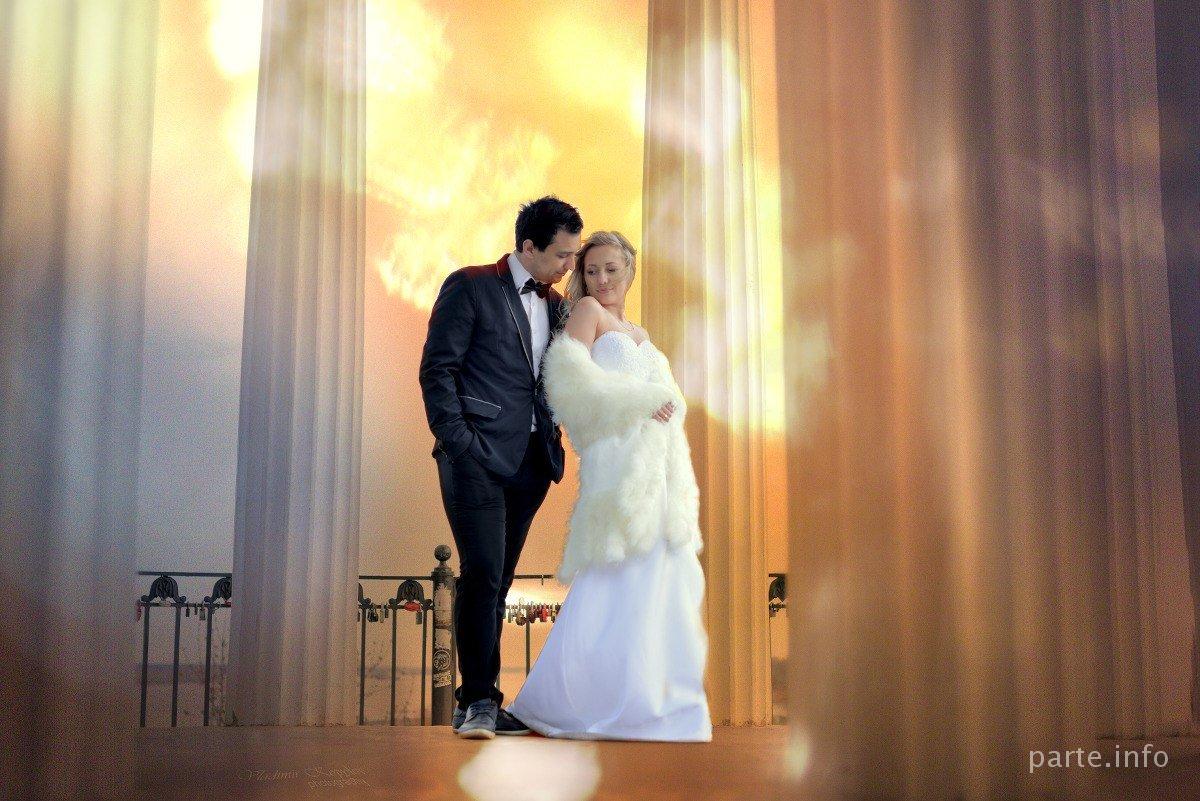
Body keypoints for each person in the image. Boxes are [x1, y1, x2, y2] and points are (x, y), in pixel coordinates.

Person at [505, 230, 713, 741]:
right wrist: (637, 401)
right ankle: (570, 702)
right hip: (618, 467)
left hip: (660, 471)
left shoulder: (640, 333)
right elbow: (567, 383)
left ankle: (642, 704)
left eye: (611, 269)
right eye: (591, 270)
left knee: (652, 583)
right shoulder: (587, 313)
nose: (600, 279)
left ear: (629, 272)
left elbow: (670, 403)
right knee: (611, 576)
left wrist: (661, 406)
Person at [418, 196, 582, 739]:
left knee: (498, 580)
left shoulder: (557, 306)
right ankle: (481, 701)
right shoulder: (470, 286)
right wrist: (459, 442)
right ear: (528, 246)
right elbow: (437, 371)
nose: (569, 266)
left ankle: (474, 702)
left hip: (532, 463)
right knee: (484, 573)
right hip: (475, 458)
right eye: (561, 256)